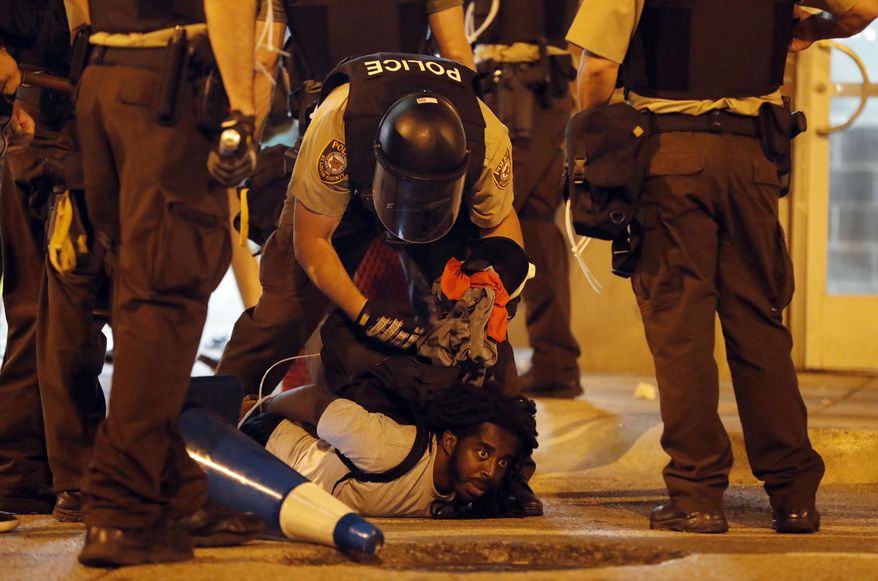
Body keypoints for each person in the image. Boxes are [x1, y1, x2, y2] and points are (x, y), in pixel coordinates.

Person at [567, 0, 836, 534]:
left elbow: (597, 66)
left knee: (680, 331)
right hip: (752, 158)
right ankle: (793, 495)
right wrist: (815, 25)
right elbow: (862, 11)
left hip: (671, 158)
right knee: (760, 323)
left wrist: (591, 137)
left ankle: (697, 496)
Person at [71, 0, 264, 566]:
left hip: (102, 77)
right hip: (169, 88)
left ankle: (172, 492)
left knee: (137, 297)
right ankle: (119, 511)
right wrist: (242, 111)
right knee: (164, 300)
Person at [218, 0, 477, 392]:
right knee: (461, 295)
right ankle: (490, 418)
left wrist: (244, 149)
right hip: (419, 142)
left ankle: (215, 420)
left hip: (331, 137)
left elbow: (265, 61)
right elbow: (457, 55)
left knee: (286, 306)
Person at [467, 0, 582, 398]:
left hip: (528, 91)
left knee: (499, 222)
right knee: (532, 223)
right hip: (524, 91)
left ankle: (489, 360)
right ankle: (553, 361)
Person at [247, 381, 537, 518]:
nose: (489, 471)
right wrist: (256, 407)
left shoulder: (463, 495)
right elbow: (314, 399)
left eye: (501, 463)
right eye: (483, 453)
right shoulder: (387, 447)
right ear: (450, 441)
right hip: (265, 449)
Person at [0, 0, 62, 517]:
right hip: (39, 109)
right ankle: (22, 468)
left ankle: (25, 468)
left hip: (41, 105)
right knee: (40, 305)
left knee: (40, 305)